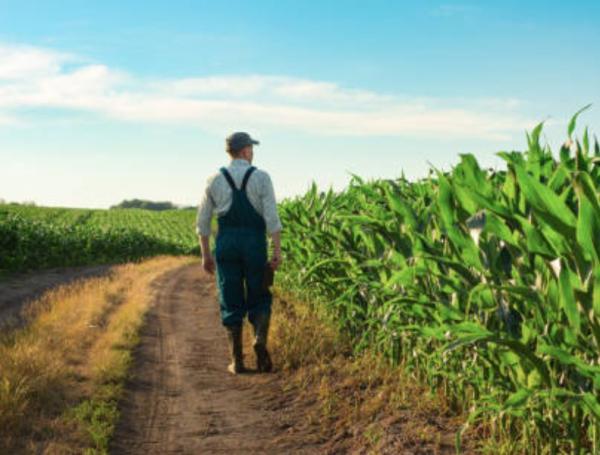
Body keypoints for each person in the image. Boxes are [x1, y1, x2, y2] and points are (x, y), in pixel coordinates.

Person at [196, 132, 282, 374]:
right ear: (245, 151)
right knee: (260, 293)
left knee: (230, 297)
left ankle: (238, 361)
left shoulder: (214, 179)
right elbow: (272, 219)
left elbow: (203, 222)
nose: (252, 153)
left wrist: (206, 255)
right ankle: (259, 340)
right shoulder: (262, 177)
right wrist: (276, 251)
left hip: (227, 243)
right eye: (251, 149)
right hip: (254, 242)